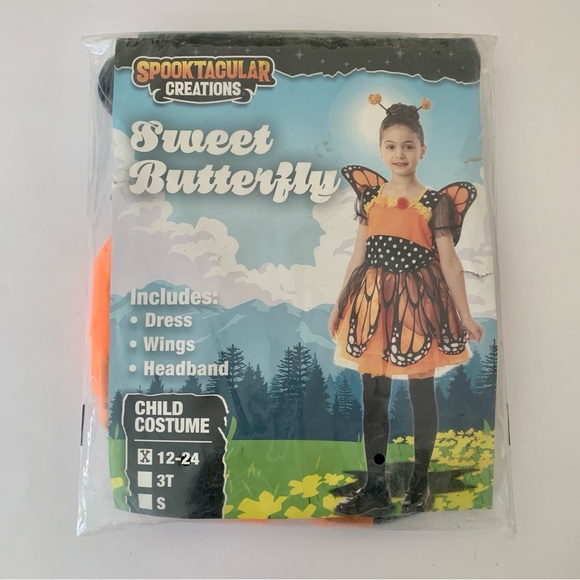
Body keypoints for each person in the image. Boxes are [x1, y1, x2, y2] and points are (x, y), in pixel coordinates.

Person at [329, 95, 484, 517]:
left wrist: (465, 314)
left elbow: (449, 262)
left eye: (409, 146)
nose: (400, 154)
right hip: (373, 304)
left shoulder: (435, 202)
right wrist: (340, 305)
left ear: (422, 150)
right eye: (392, 146)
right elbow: (358, 255)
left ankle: (419, 483)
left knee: (420, 392)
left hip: (418, 304)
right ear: (381, 150)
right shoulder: (371, 198)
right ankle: (376, 486)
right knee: (374, 397)